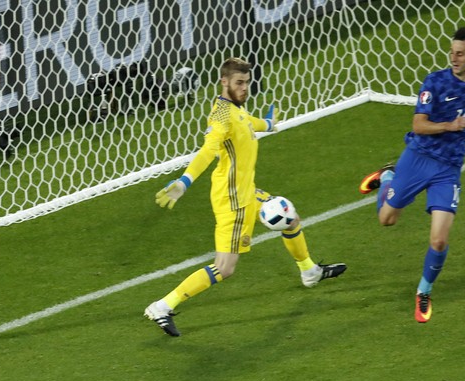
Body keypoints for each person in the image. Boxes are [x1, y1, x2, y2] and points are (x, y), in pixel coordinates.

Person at [145, 57, 347, 337]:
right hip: (233, 202)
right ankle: (162, 306)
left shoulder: (236, 110)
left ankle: (309, 271)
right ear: (224, 81)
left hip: (247, 191)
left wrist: (267, 123)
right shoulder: (220, 116)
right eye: (239, 83)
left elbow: (247, 123)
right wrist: (184, 181)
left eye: (247, 82)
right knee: (225, 268)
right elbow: (207, 151)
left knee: (290, 218)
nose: (245, 88)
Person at [359, 27, 465, 323]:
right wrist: (450, 126)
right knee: (387, 219)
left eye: (460, 53)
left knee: (439, 241)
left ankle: (423, 291)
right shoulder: (434, 82)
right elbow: (419, 125)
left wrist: (458, 132)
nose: (454, 58)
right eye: (451, 52)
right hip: (418, 158)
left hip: (448, 170)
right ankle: (387, 178)